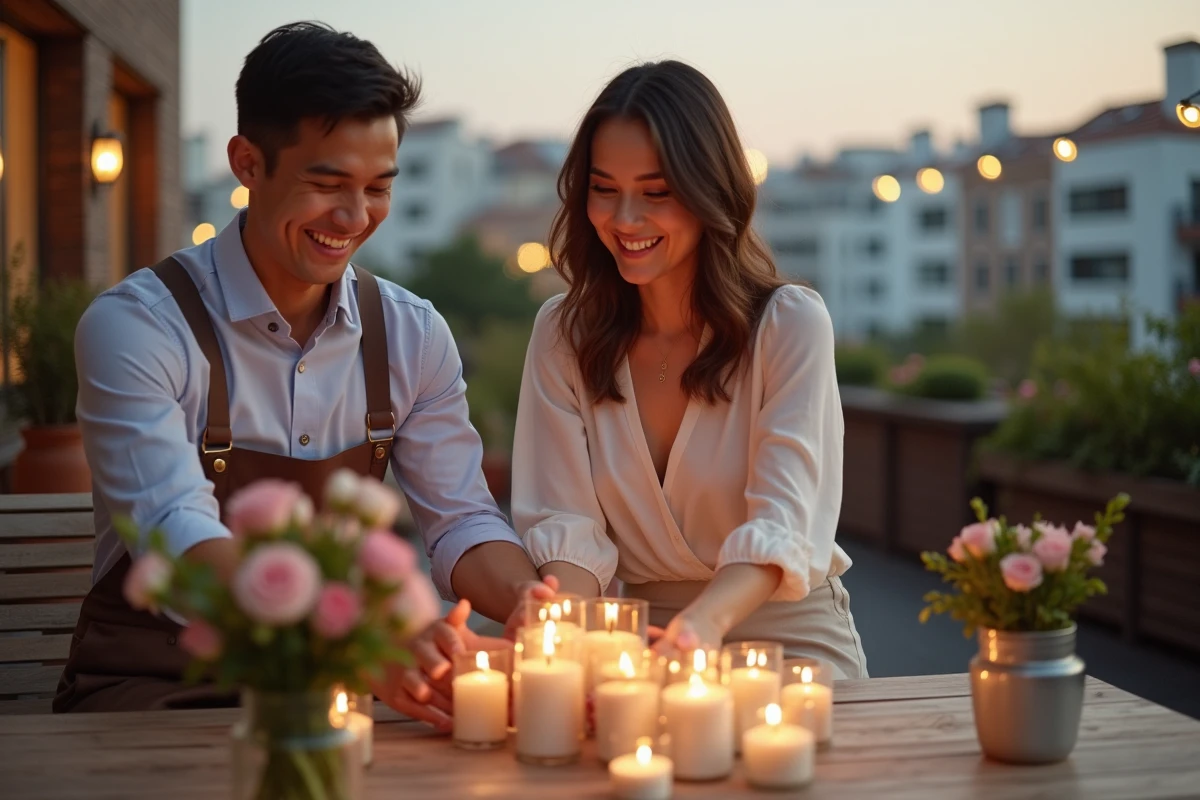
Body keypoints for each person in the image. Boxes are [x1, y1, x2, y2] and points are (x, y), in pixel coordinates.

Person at [56, 21, 551, 723]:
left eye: (379, 187)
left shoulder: (411, 335)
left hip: (331, 696)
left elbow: (461, 520)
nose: (354, 217)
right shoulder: (137, 326)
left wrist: (528, 603)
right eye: (327, 183)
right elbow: (173, 531)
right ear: (247, 163)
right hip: (155, 690)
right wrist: (363, 644)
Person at [511, 61, 867, 678]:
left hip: (791, 640)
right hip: (641, 644)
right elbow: (566, 524)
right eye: (603, 189)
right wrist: (556, 621)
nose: (624, 219)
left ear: (710, 192)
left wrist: (703, 625)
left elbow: (783, 521)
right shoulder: (563, 335)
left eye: (657, 193)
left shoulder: (789, 325)